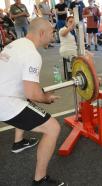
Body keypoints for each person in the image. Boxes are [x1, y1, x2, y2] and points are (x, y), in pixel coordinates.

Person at [0, 17, 65, 185]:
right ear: (41, 33)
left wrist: (37, 93)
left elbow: (24, 87)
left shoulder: (15, 44)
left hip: (6, 94)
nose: (53, 36)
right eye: (51, 33)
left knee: (27, 103)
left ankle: (19, 142)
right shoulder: (32, 55)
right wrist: (46, 99)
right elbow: (32, 94)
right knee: (53, 128)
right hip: (5, 102)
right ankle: (40, 179)